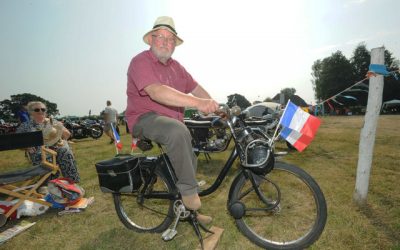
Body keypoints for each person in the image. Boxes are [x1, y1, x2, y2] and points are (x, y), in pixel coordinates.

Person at [125, 16, 219, 224]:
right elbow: (157, 92)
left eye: (170, 39)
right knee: (177, 131)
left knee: (190, 156)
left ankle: (188, 210)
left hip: (171, 120)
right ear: (151, 39)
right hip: (144, 118)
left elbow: (195, 88)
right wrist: (197, 104)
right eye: (161, 37)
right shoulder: (140, 61)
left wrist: (212, 104)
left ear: (175, 45)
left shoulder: (177, 67)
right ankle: (189, 195)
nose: (165, 43)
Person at [16, 101, 80, 183]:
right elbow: (17, 141)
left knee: (65, 150)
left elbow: (67, 135)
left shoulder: (52, 121)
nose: (40, 111)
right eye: (37, 110)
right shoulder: (25, 126)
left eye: (43, 109)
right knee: (46, 158)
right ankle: (49, 183)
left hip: (57, 148)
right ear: (31, 112)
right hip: (39, 151)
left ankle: (72, 182)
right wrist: (26, 147)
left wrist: (59, 128)